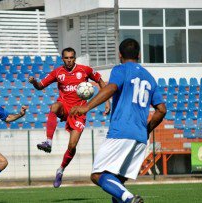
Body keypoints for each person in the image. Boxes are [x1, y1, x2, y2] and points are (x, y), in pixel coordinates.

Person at [70, 38, 166, 203]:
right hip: (140, 138)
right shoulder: (149, 78)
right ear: (139, 54)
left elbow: (112, 87)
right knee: (117, 183)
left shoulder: (120, 69)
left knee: (98, 175)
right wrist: (147, 129)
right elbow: (161, 110)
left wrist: (87, 107)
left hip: (121, 132)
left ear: (119, 55)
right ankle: (126, 198)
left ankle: (129, 200)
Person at [28, 47, 110, 188]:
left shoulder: (85, 70)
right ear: (62, 59)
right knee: (54, 107)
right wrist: (34, 82)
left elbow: (102, 83)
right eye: (66, 58)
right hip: (64, 106)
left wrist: (107, 101)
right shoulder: (58, 72)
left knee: (72, 146)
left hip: (79, 112)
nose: (69, 60)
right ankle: (48, 141)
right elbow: (40, 86)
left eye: (71, 57)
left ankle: (61, 169)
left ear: (75, 58)